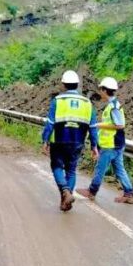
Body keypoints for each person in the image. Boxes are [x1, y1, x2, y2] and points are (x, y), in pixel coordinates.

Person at [42, 70, 98, 212]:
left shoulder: (58, 101)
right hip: (78, 141)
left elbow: (50, 123)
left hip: (59, 140)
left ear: (63, 84)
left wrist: (45, 140)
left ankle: (66, 192)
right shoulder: (87, 103)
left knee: (56, 167)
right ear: (77, 84)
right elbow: (93, 127)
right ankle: (66, 200)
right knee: (71, 171)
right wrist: (94, 145)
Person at [78, 77, 133, 204]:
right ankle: (129, 193)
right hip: (116, 144)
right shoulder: (112, 105)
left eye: (101, 89)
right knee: (119, 169)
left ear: (105, 90)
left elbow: (119, 125)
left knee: (100, 168)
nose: (100, 92)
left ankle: (92, 192)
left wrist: (98, 125)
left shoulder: (113, 106)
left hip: (111, 144)